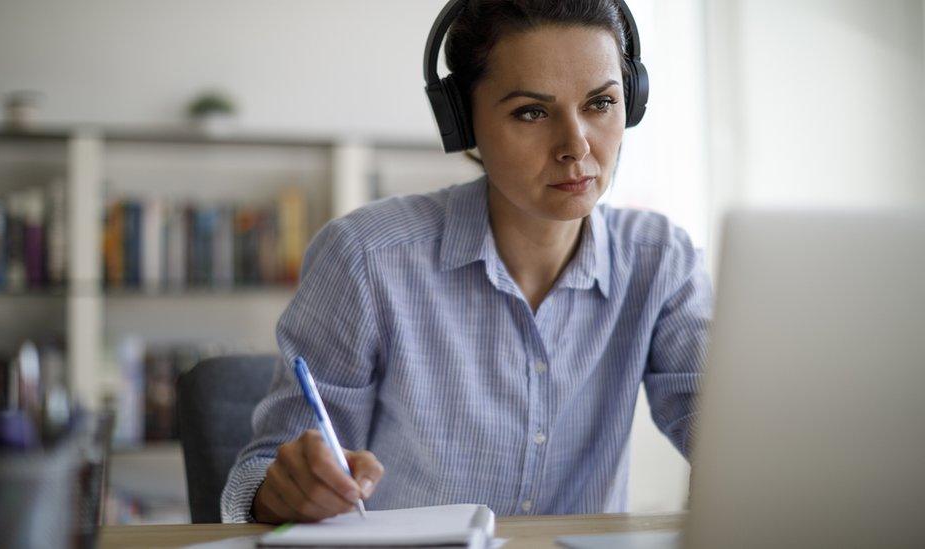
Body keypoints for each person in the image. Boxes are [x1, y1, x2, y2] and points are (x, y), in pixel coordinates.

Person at [221, 0, 711, 524]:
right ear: (462, 122)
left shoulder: (662, 262)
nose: (576, 145)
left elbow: (724, 433)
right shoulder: (366, 258)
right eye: (532, 112)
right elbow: (264, 471)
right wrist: (284, 490)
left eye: (601, 104)